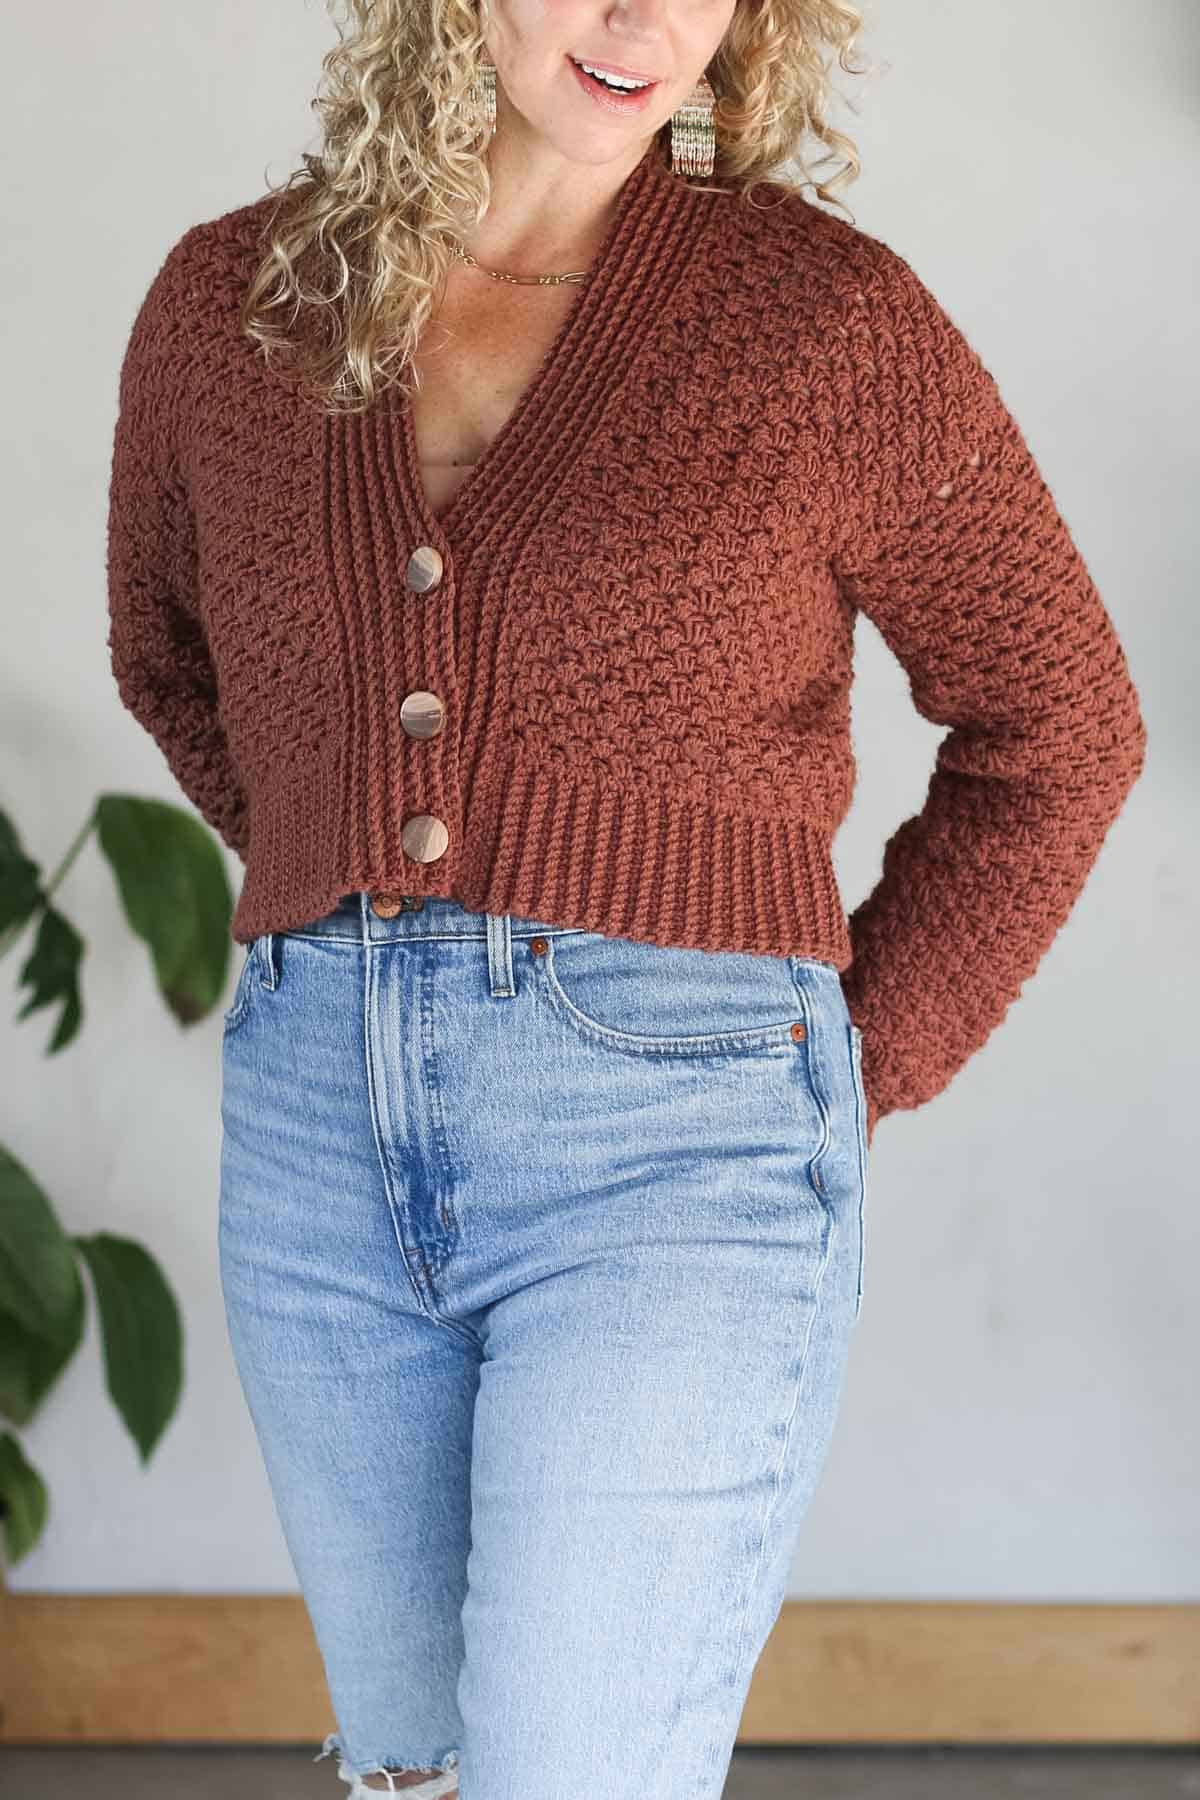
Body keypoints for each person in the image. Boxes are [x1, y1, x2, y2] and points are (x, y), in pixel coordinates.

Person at [103, 0, 1147, 1791]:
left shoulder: (819, 323)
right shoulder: (234, 305)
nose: (648, 20)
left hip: (675, 1149)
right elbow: (172, 661)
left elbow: (1060, 725)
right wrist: (342, 879)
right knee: (408, 1774)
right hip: (310, 1149)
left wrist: (833, 1066)